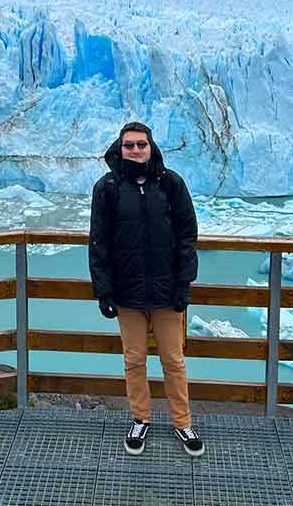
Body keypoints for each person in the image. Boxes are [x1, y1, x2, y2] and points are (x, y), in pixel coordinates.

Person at [88, 121, 203, 457]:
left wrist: (184, 283)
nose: (136, 150)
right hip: (127, 293)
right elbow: (99, 243)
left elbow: (187, 236)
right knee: (134, 359)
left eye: (141, 144)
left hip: (167, 292)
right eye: (129, 145)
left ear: (151, 147)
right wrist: (104, 291)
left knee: (174, 360)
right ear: (119, 148)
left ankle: (183, 422)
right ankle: (140, 418)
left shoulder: (171, 184)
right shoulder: (107, 187)